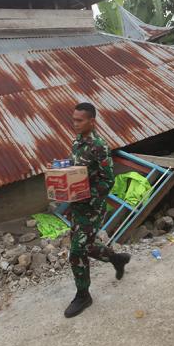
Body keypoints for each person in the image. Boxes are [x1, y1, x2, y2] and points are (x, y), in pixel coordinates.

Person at [62, 102, 131, 318]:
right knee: (88, 246)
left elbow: (107, 180)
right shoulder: (77, 142)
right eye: (73, 120)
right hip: (77, 207)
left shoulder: (99, 146)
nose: (75, 124)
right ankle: (116, 259)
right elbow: (77, 172)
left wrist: (87, 196)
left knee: (76, 252)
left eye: (79, 120)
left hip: (92, 208)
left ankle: (83, 295)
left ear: (92, 121)